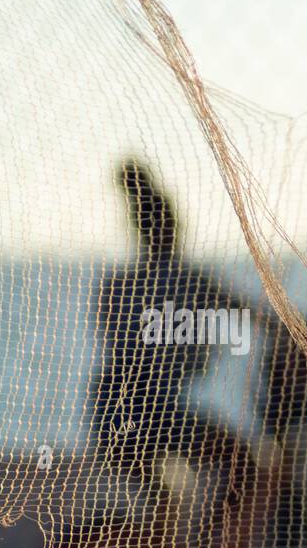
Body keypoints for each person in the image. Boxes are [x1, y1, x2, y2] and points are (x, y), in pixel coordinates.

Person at [88, 158, 251, 474]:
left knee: (165, 495)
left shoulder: (115, 285)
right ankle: (214, 523)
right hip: (151, 418)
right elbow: (255, 315)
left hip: (108, 415)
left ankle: (179, 513)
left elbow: (115, 346)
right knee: (242, 462)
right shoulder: (189, 280)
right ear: (174, 227)